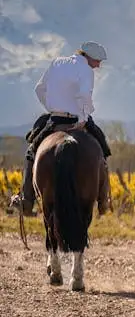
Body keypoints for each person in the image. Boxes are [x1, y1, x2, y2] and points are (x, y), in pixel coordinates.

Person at [13, 42, 113, 216]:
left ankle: (26, 200)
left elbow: (39, 89)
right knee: (102, 150)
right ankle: (104, 201)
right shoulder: (86, 70)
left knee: (31, 152)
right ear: (88, 57)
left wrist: (51, 107)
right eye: (97, 61)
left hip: (54, 119)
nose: (99, 65)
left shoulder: (57, 62)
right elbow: (84, 95)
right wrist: (83, 118)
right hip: (77, 120)